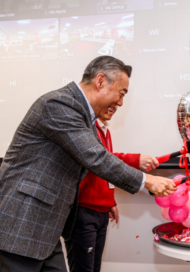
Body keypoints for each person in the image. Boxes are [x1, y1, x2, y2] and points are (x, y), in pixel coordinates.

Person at [0, 56, 176, 272]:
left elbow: (95, 161)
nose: (121, 102)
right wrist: (145, 180)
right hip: (22, 223)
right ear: (100, 81)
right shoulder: (59, 104)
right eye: (121, 94)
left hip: (47, 227)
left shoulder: (83, 119)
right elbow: (97, 158)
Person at [65, 104, 159, 272]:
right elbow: (103, 159)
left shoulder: (104, 130)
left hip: (99, 211)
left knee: (94, 268)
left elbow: (104, 170)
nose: (118, 104)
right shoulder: (86, 127)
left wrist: (109, 200)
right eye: (115, 97)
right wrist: (135, 160)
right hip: (83, 212)